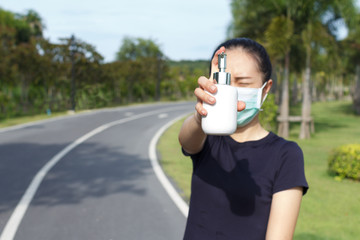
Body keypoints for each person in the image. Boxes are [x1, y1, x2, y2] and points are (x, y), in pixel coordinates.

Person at [178, 38, 308, 240]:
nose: (233, 90)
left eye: (243, 83)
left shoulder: (286, 155)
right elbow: (187, 140)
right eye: (226, 82)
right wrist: (201, 115)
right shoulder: (208, 136)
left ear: (265, 89)